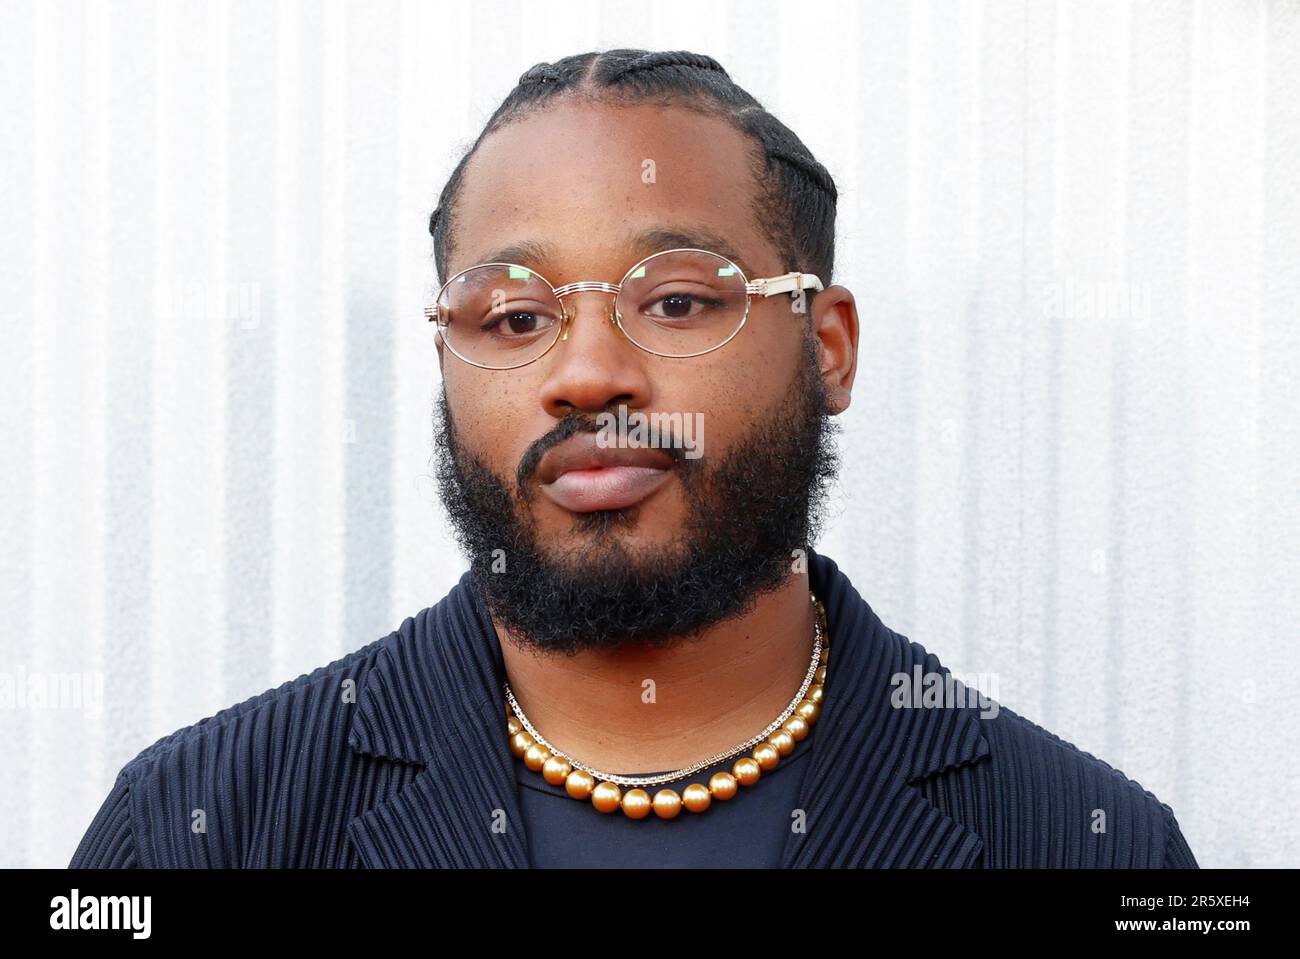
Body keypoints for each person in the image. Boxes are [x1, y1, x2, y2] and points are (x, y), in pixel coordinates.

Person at [69, 48, 1196, 869]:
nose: (588, 372)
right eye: (514, 317)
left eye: (673, 299)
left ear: (828, 345)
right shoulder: (198, 825)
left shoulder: (1092, 843)